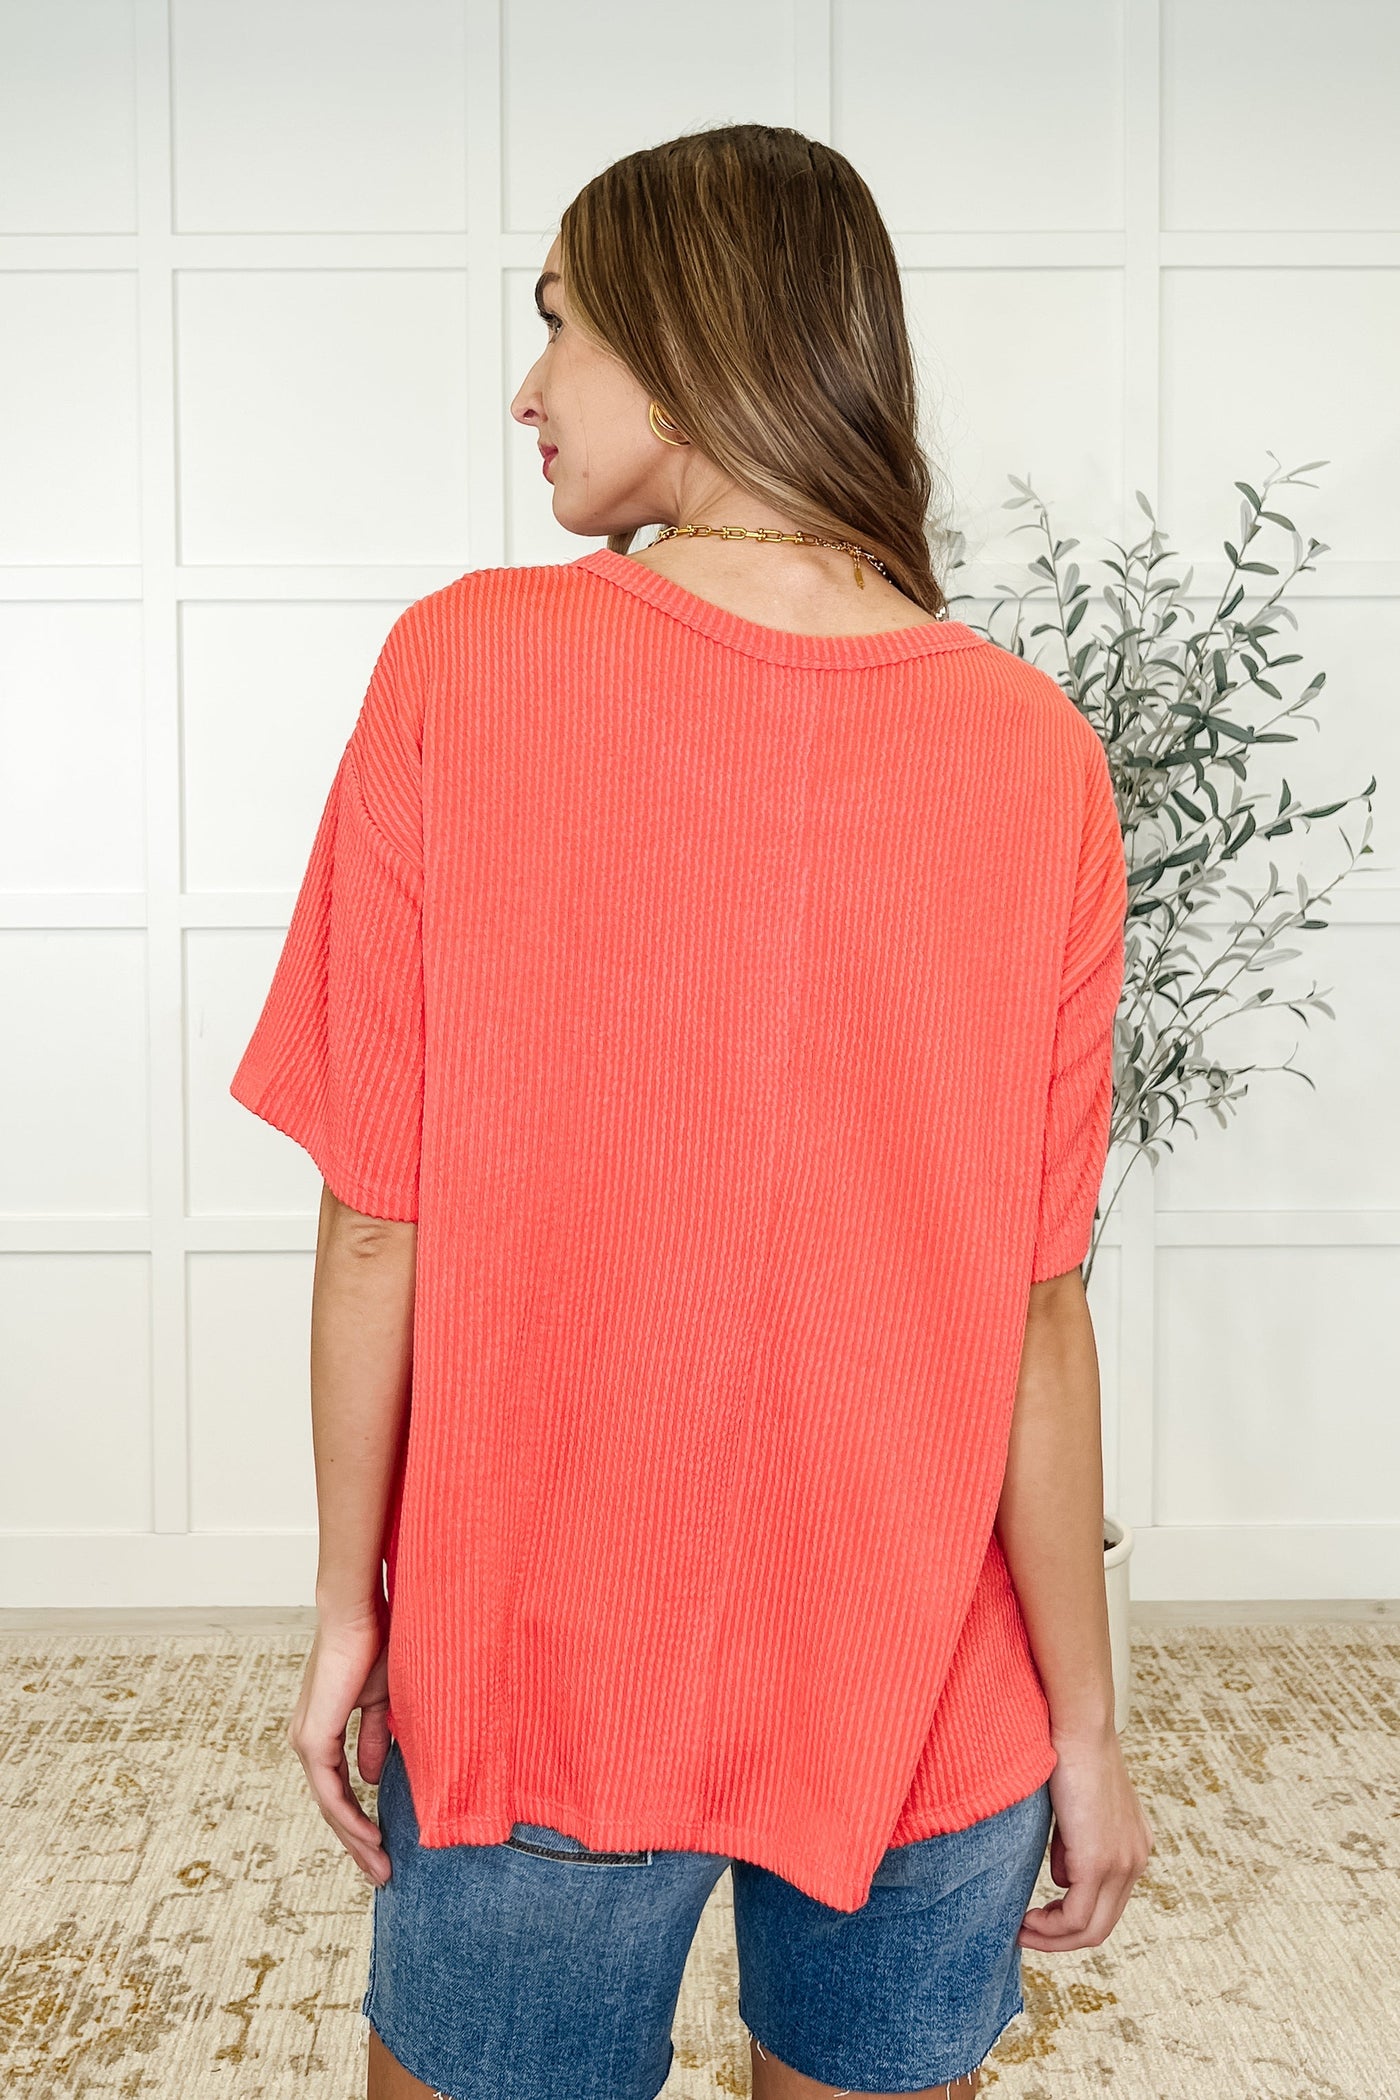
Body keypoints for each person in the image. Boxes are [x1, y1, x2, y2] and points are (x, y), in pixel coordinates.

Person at [229, 123, 1153, 2100]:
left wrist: (348, 1611)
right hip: (929, 1694)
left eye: (560, 321)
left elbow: (379, 1217)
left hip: (546, 1669)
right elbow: (1038, 1308)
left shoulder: (464, 663)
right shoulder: (1038, 754)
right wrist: (1084, 1728)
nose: (527, 384)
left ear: (686, 343)